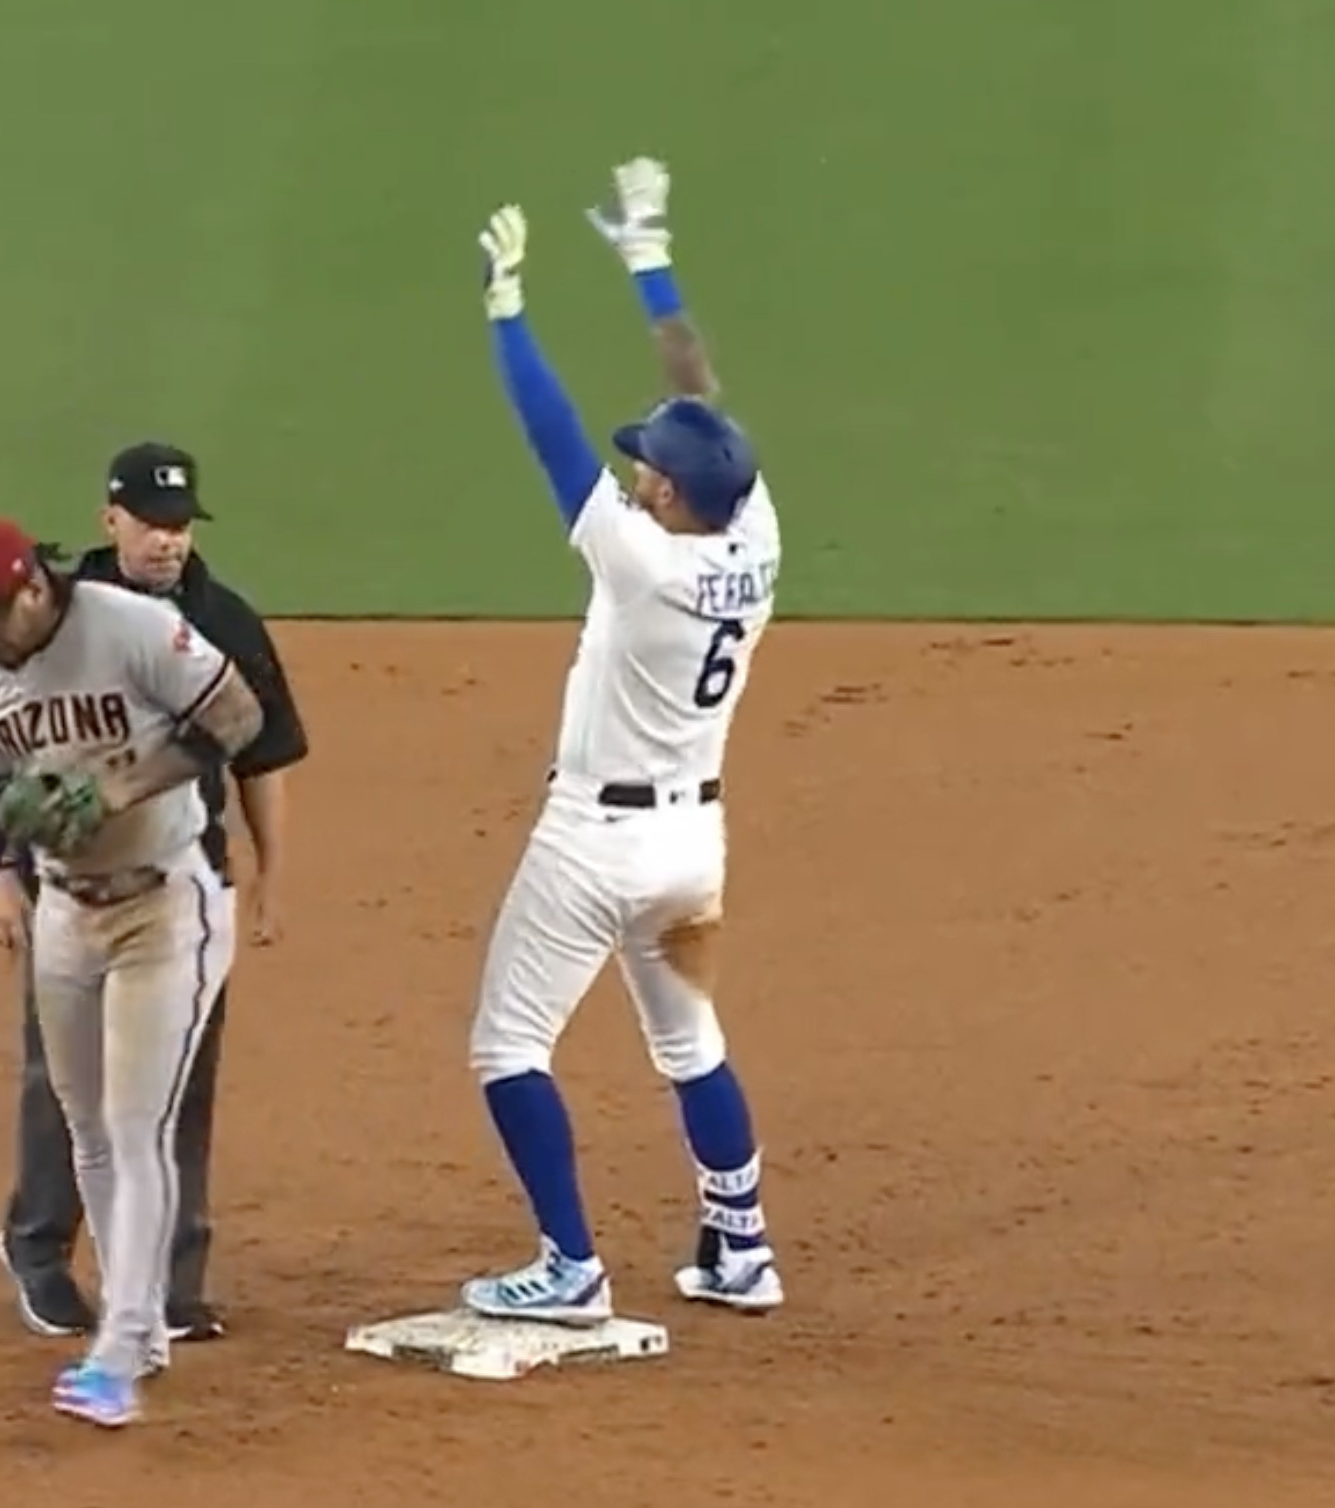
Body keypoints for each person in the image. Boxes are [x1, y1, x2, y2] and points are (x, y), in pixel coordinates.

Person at [453, 159, 786, 1323]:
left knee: (506, 1046)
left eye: (649, 465)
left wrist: (507, 312)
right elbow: (701, 390)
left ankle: (568, 1265)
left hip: (594, 840)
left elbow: (551, 440)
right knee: (688, 1044)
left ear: (671, 498)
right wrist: (646, 256)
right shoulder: (755, 528)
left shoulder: (641, 559)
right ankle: (740, 1242)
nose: (637, 467)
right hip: (693, 844)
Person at [0, 512, 268, 1427]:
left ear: (33, 587)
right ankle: (138, 1325)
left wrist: (117, 782)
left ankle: (119, 1350)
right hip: (66, 914)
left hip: (167, 903)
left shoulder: (131, 628)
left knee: (135, 1120)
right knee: (88, 1129)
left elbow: (236, 716)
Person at [0, 443, 309, 1345]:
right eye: (151, 523)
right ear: (110, 519)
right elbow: (5, 765)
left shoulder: (223, 620)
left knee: (177, 1085)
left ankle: (169, 1282)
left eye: (179, 526)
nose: (166, 542)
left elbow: (262, 755)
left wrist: (269, 877)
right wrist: (0, 880)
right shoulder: (51, 614)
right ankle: (40, 1251)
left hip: (182, 881)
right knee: (64, 1082)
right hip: (65, 889)